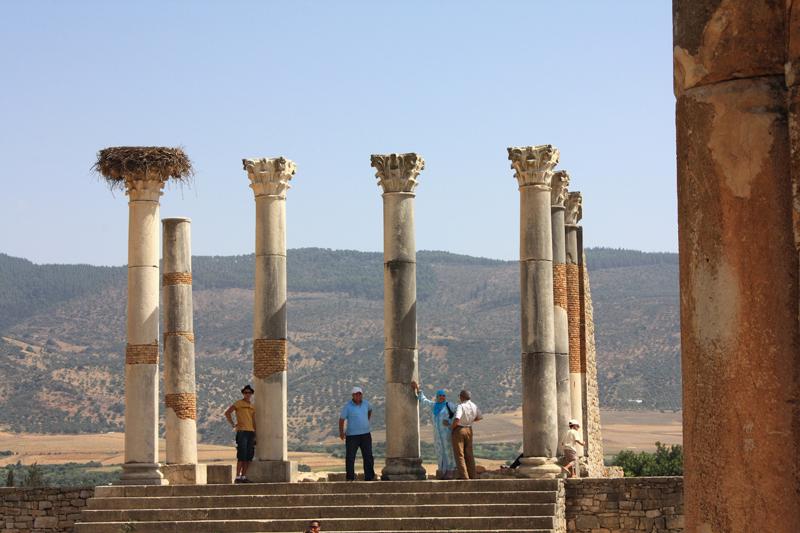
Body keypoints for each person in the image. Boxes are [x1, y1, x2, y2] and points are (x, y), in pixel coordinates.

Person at [411, 381, 456, 479]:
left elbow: (458, 415)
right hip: (437, 435)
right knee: (440, 452)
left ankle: (451, 471)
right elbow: (423, 400)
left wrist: (450, 424)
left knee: (448, 451)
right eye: (440, 395)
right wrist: (417, 389)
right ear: (437, 396)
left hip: (447, 434)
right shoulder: (434, 406)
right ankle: (442, 471)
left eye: (443, 396)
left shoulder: (449, 406)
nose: (442, 397)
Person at [338, 386, 375, 481]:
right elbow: (341, 419)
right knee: (350, 457)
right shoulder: (348, 406)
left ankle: (369, 477)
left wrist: (367, 420)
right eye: (356, 394)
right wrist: (341, 432)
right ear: (353, 395)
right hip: (351, 436)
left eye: (360, 394)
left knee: (368, 456)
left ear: (361, 395)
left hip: (366, 434)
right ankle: (350, 478)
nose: (358, 396)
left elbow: (370, 410)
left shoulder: (366, 404)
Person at [224, 384, 256, 483]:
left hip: (251, 432)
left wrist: (255, 434)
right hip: (242, 432)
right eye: (246, 392)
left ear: (251, 394)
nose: (247, 394)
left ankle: (244, 476)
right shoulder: (238, 403)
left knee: (248, 456)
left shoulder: (252, 406)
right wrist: (233, 424)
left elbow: (253, 420)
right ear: (243, 393)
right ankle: (237, 477)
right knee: (241, 455)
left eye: (249, 393)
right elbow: (227, 412)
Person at [451, 389, 482, 479]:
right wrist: (471, 420)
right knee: (469, 453)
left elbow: (457, 418)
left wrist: (452, 427)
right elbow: (480, 417)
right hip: (469, 429)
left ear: (462, 397)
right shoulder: (474, 406)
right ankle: (472, 475)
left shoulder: (461, 406)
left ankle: (464, 476)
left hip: (459, 429)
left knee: (459, 454)